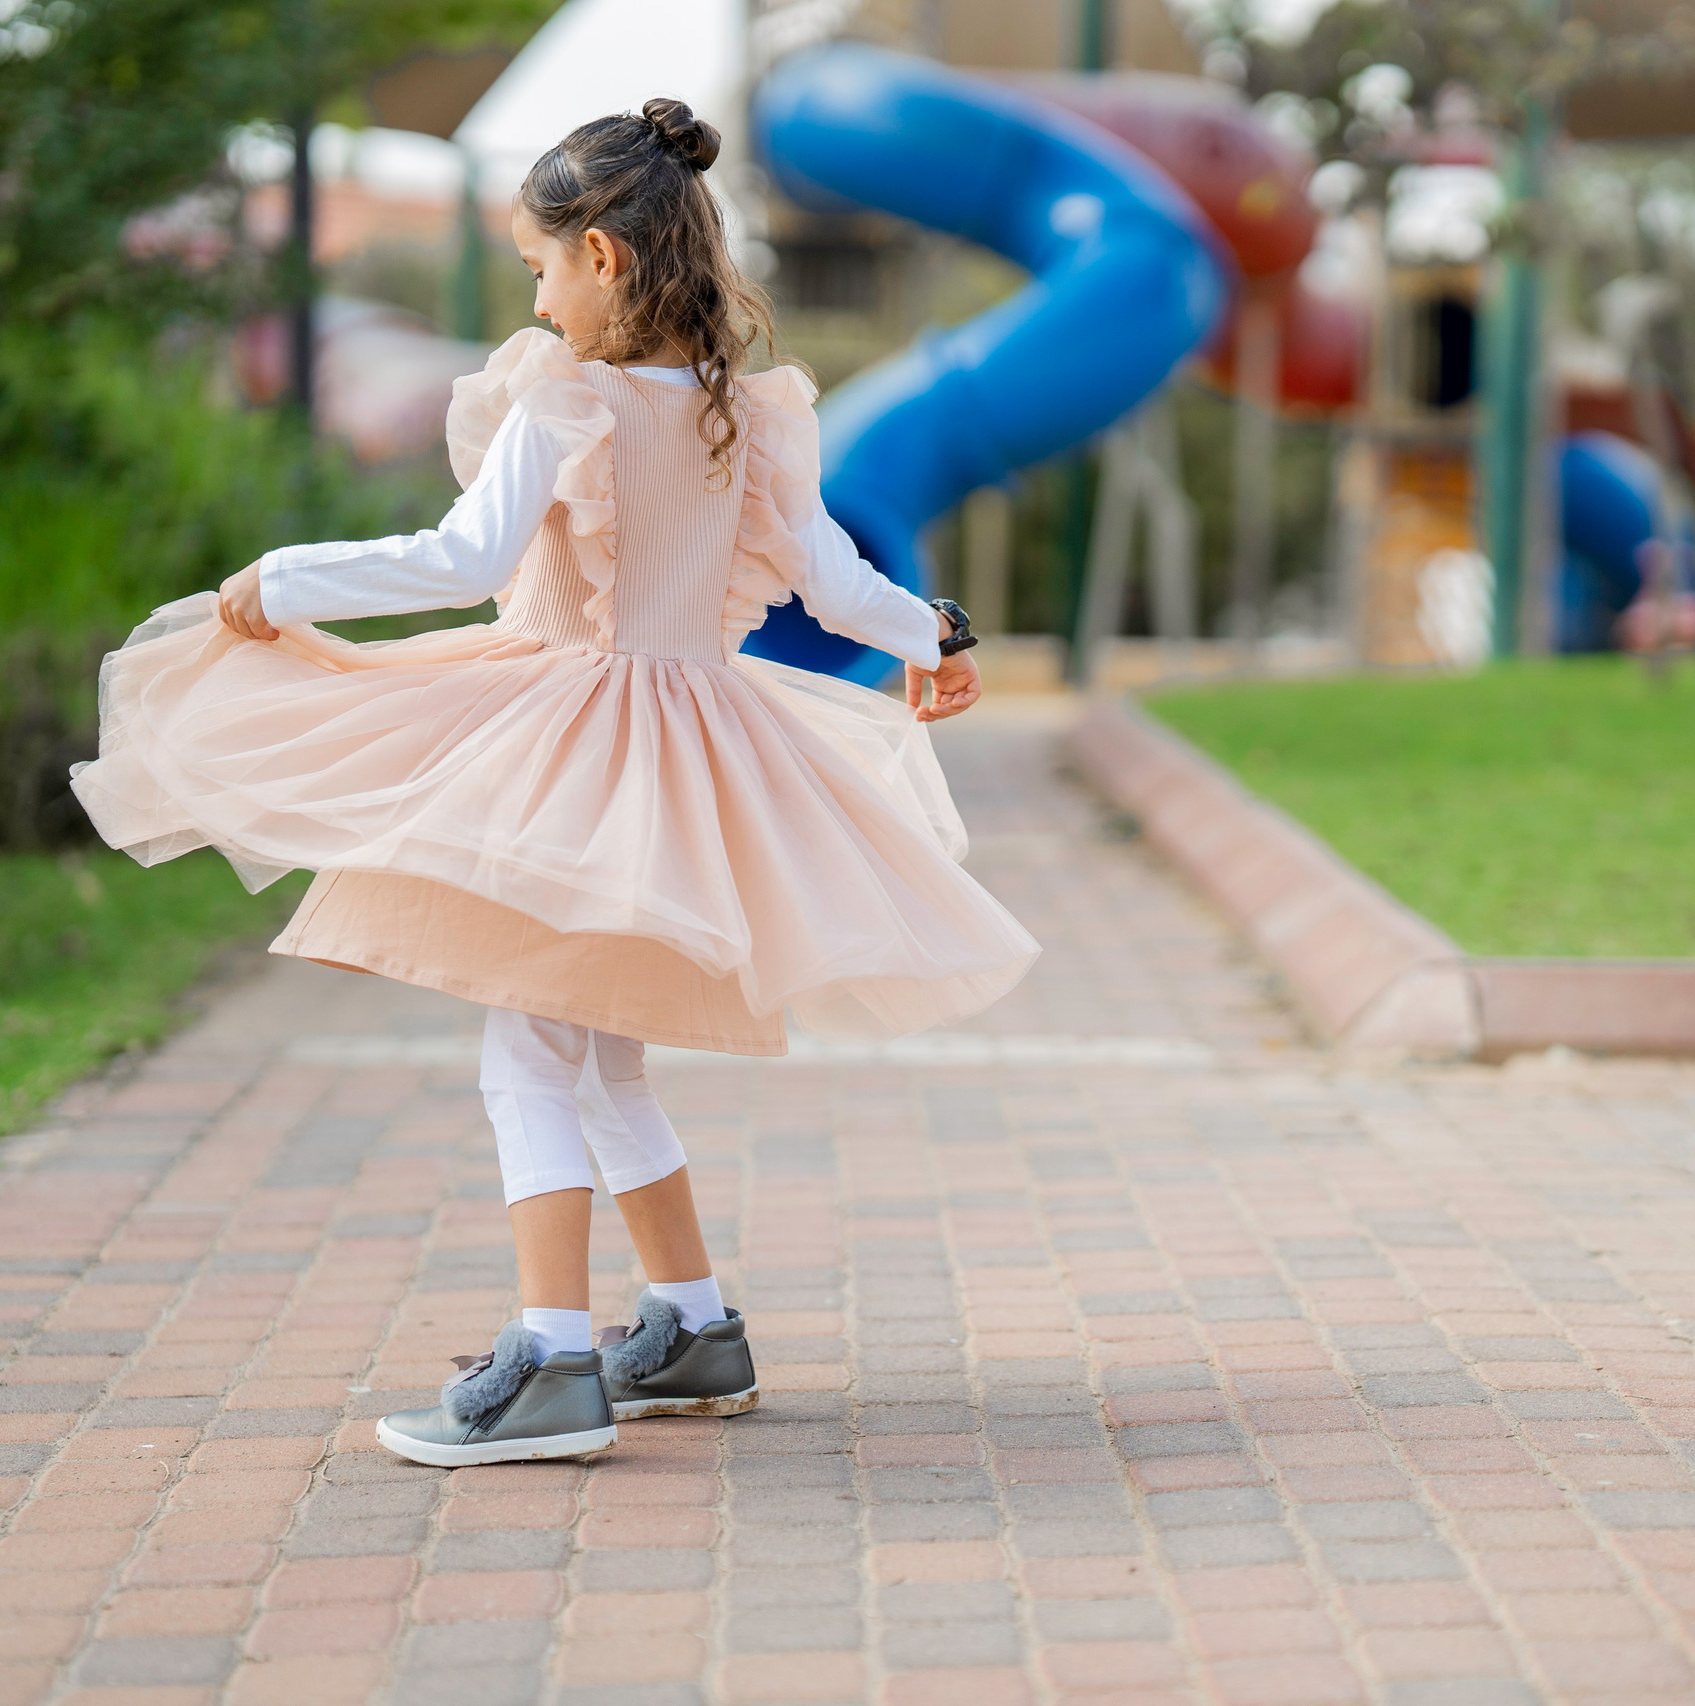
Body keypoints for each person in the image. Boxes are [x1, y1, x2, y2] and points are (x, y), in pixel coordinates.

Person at [71, 98, 1038, 1466]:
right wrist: (931, 630)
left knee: (529, 1048)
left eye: (538, 266)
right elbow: (830, 575)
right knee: (601, 1052)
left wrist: (282, 581)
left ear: (604, 258)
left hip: (575, 730)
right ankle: (692, 1326)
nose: (533, 294)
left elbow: (460, 561)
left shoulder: (567, 395)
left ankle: (553, 1360)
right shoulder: (741, 416)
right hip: (690, 745)